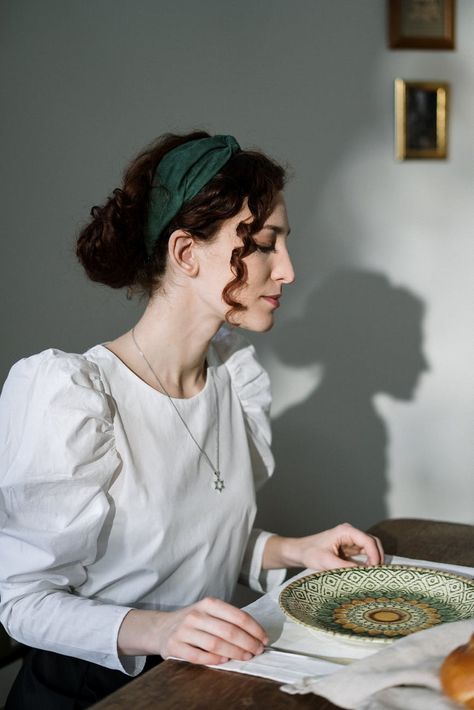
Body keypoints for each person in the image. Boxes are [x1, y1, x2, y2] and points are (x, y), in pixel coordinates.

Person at [0, 131, 383, 708]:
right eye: (264, 244)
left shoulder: (233, 379)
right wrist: (160, 630)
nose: (287, 271)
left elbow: (185, 542)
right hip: (89, 691)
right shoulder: (74, 397)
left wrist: (292, 550)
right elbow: (21, 603)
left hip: (195, 681)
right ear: (186, 253)